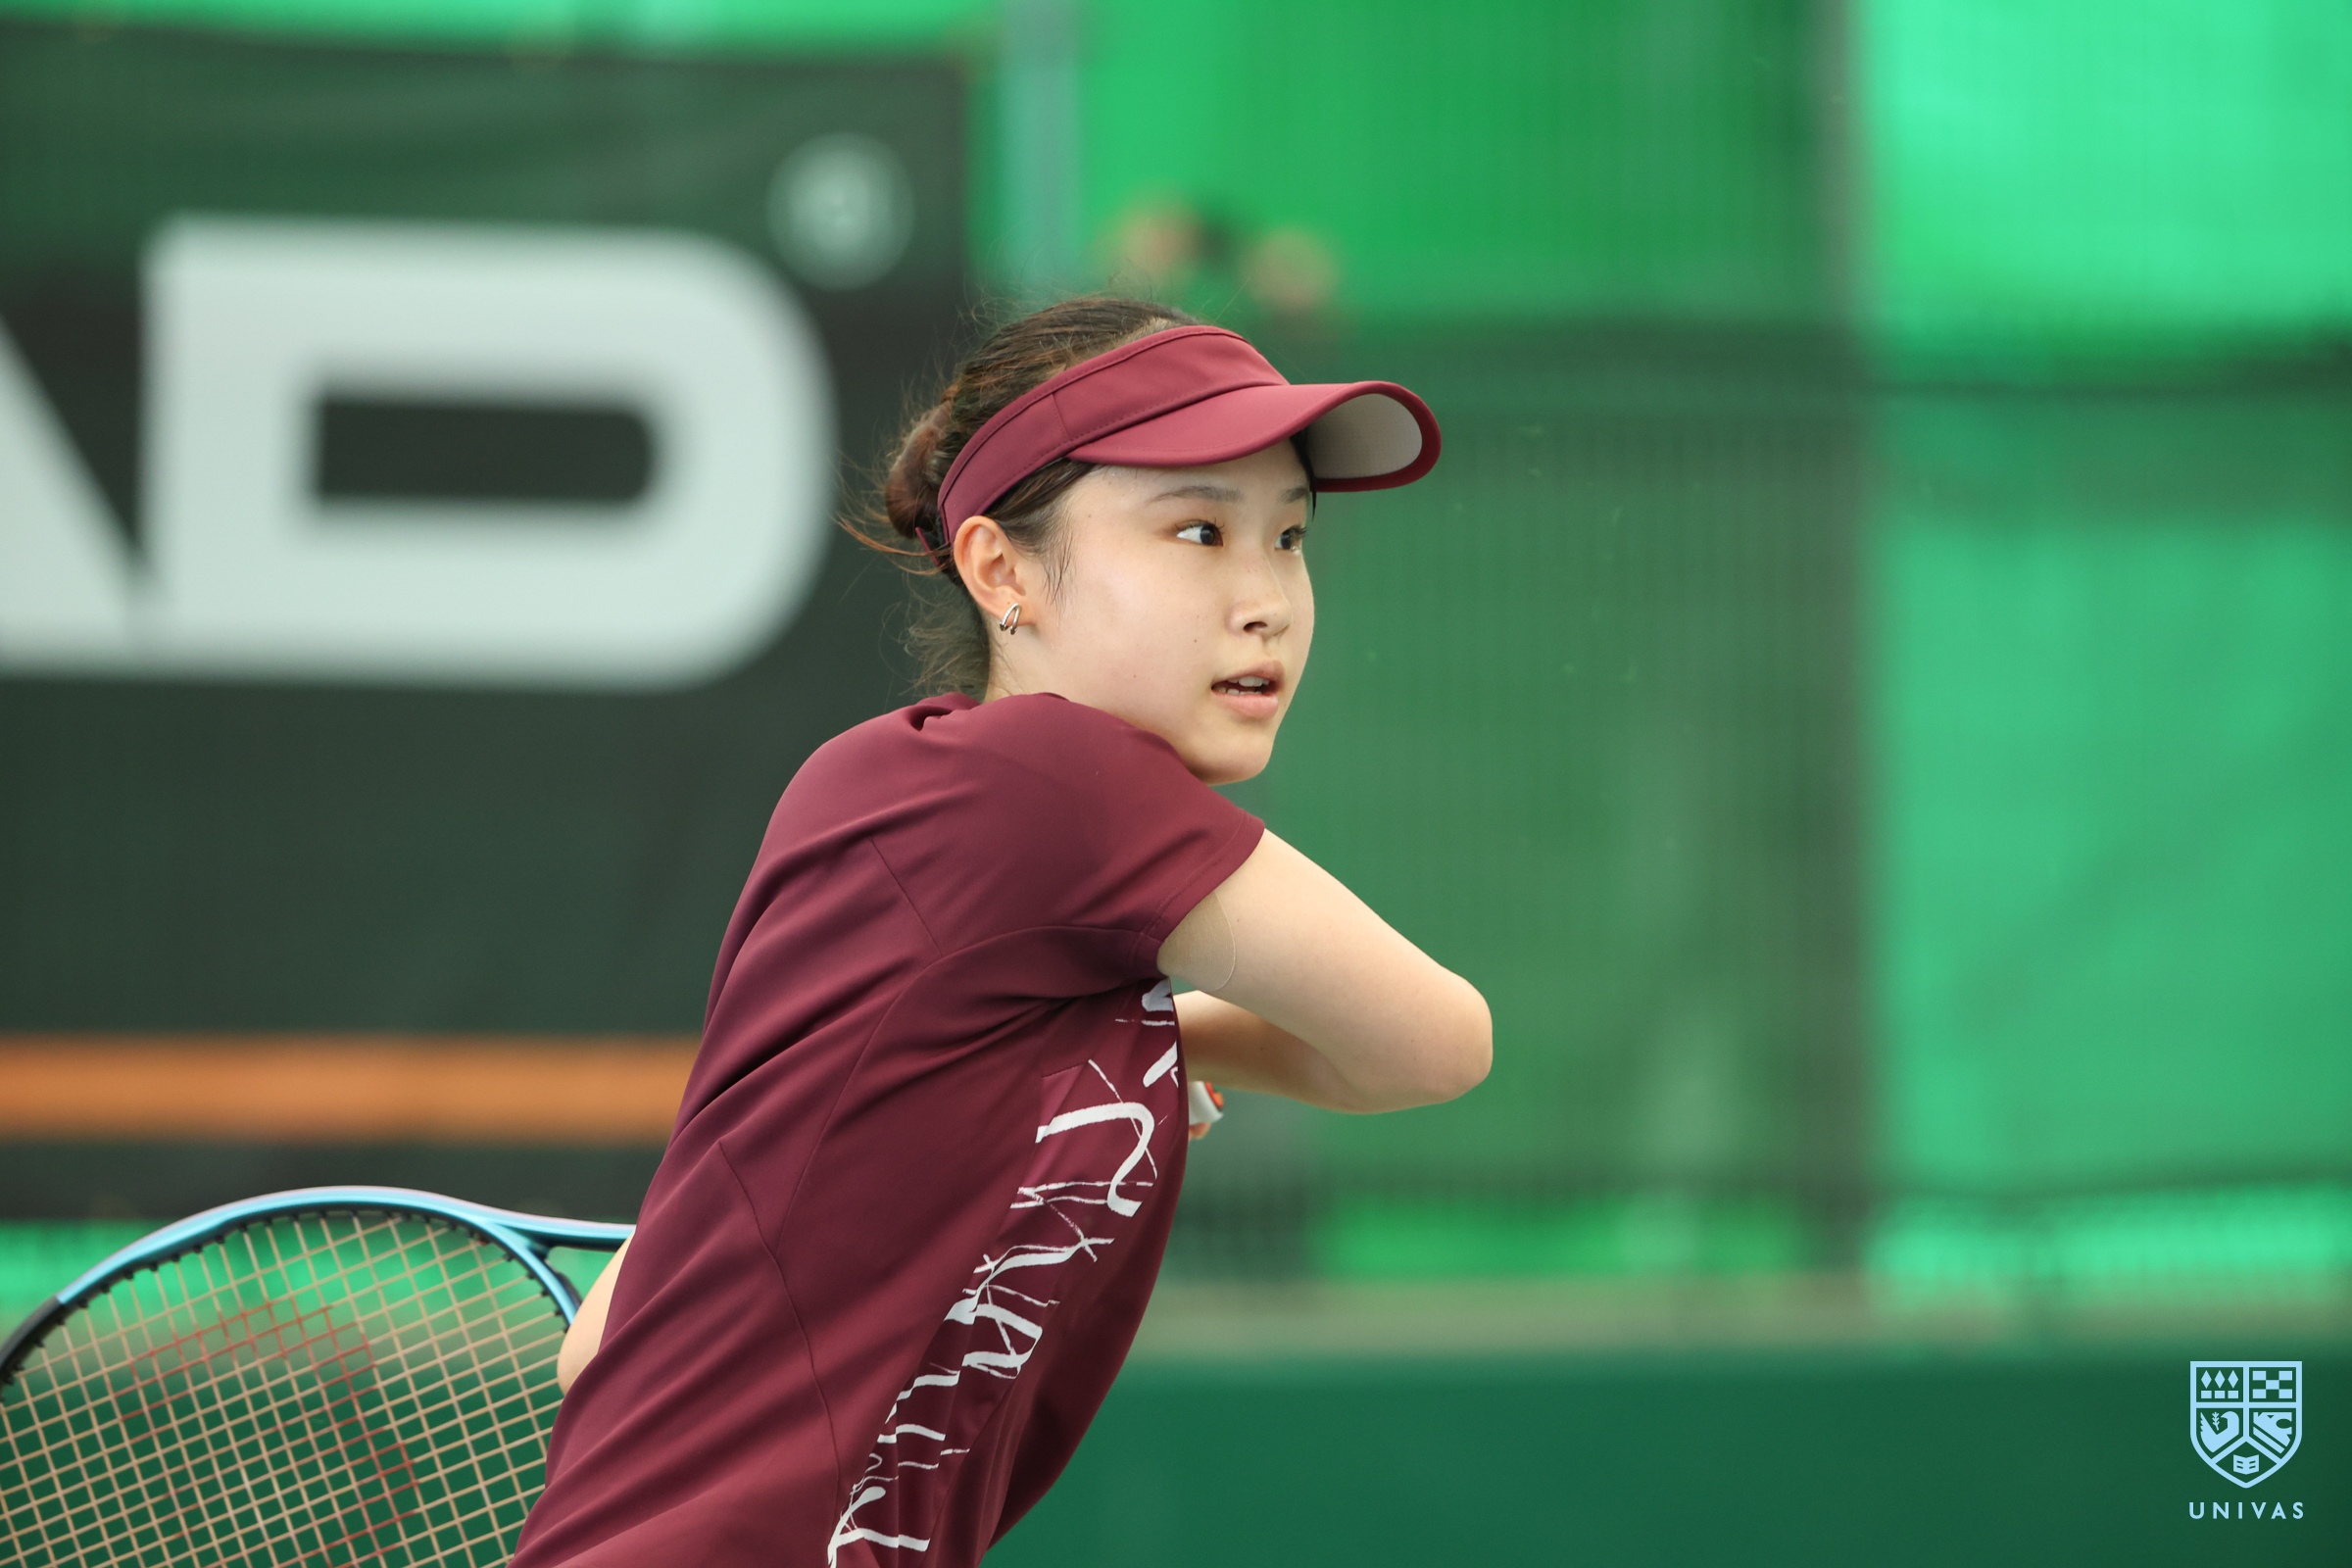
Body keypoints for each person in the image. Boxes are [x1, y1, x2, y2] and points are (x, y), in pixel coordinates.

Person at [510, 298, 1490, 1568]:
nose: (1267, 599)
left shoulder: (895, 803)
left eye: (1290, 537)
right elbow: (1435, 1043)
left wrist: (1150, 1044)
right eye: (1199, 530)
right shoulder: (1063, 786)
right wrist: (1182, 1042)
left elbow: (606, 1337)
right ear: (1000, 571)